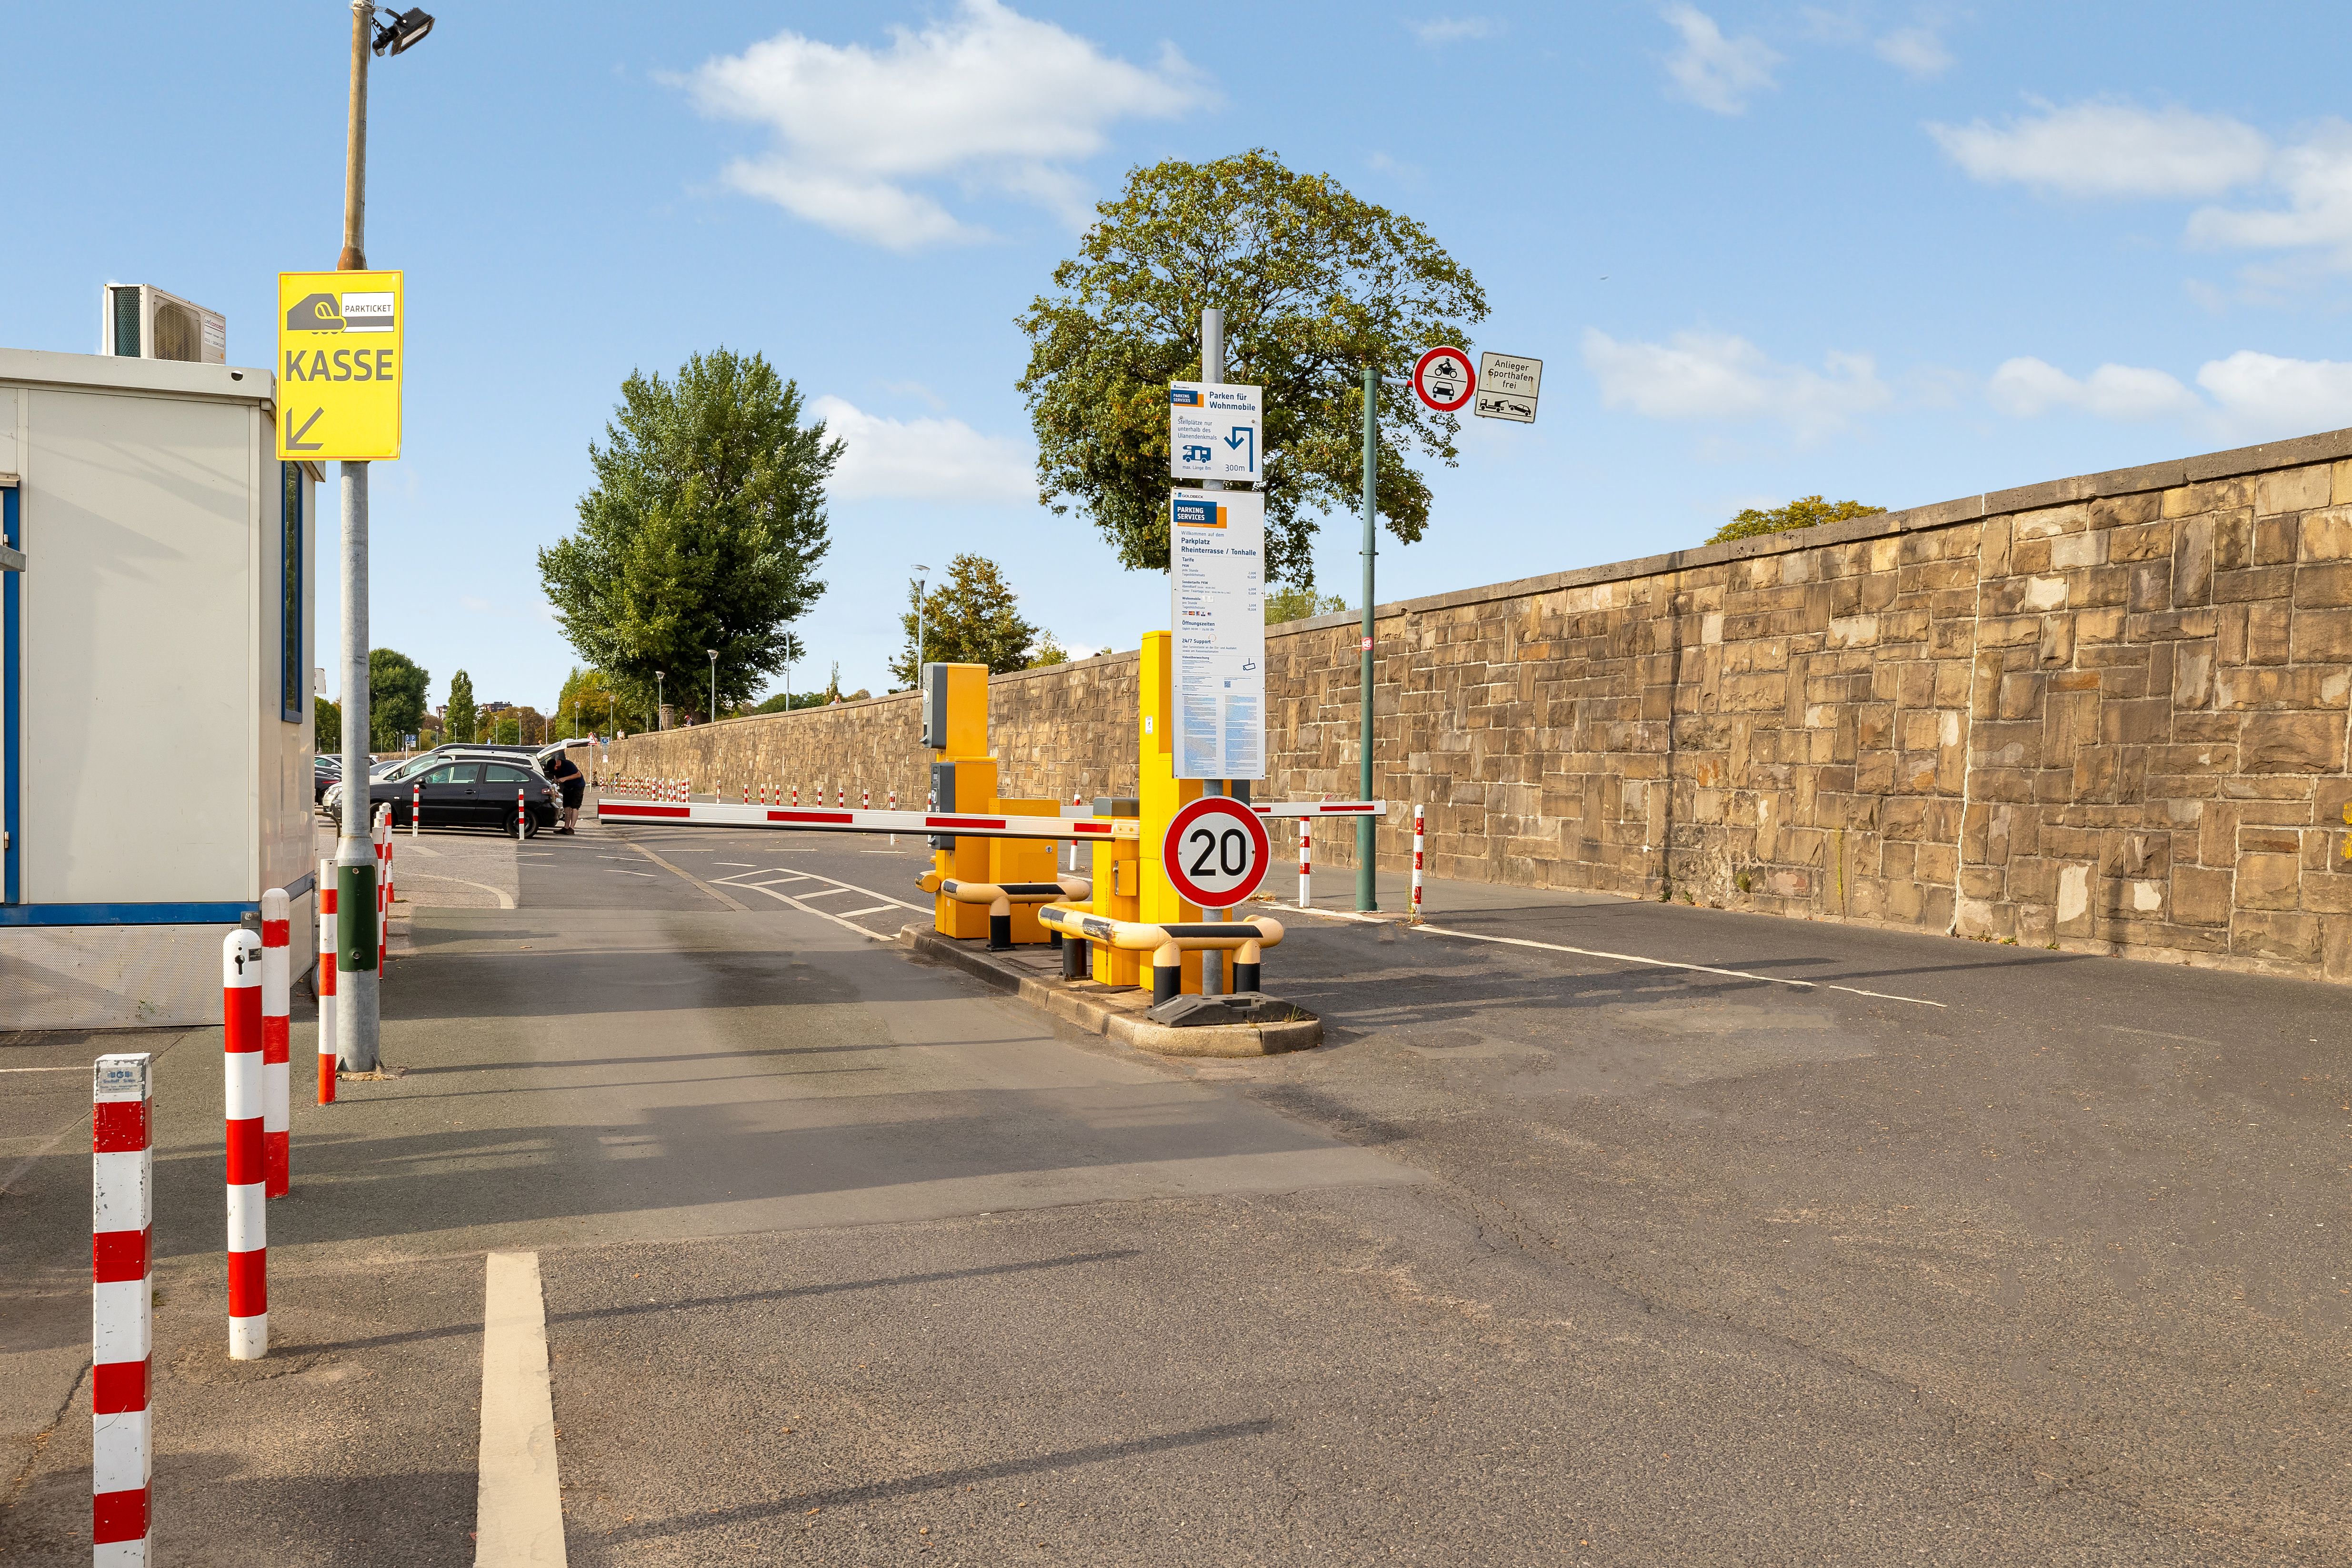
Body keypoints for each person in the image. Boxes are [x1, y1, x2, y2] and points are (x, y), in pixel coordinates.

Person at [546, 746, 586, 835]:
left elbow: (578, 775)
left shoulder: (568, 764)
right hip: (568, 787)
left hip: (578, 786)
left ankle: (572, 828)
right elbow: (556, 775)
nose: (554, 771)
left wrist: (565, 779)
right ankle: (566, 827)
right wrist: (557, 780)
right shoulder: (555, 769)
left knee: (575, 807)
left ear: (557, 765)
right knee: (567, 807)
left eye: (554, 769)